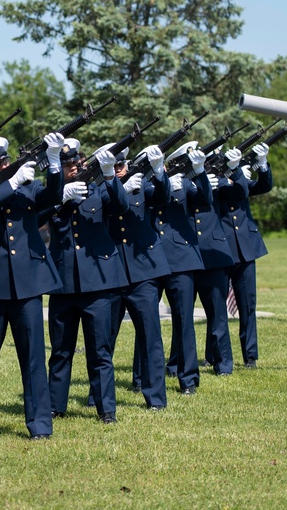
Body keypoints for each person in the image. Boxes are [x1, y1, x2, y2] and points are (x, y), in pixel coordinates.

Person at [0, 133, 64, 440]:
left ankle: (39, 424)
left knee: (33, 357)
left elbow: (52, 197)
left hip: (27, 283)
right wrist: (10, 184)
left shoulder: (29, 186)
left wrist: (53, 161)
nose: (5, 166)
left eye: (6, 161)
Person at [45, 139, 128, 424]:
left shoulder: (97, 190)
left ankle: (106, 409)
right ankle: (55, 405)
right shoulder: (51, 194)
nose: (74, 169)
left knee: (100, 349)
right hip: (63, 283)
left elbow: (121, 205)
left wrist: (108, 175)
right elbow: (37, 217)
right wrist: (60, 197)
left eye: (77, 164)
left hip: (98, 283)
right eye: (68, 166)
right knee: (60, 350)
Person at [106, 145, 171, 411]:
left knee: (150, 336)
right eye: (116, 167)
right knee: (104, 338)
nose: (121, 171)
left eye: (123, 166)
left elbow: (162, 198)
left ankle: (155, 397)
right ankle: (99, 394)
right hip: (111, 272)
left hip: (143, 270)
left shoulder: (141, 183)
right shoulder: (102, 187)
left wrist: (158, 172)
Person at [214, 145, 272, 368]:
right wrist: (234, 174)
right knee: (217, 306)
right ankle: (217, 354)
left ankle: (250, 355)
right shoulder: (215, 182)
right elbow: (234, 191)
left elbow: (264, 185)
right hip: (222, 249)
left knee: (248, 304)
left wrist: (262, 163)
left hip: (246, 248)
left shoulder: (239, 178)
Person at [158, 141, 207, 395]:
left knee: (185, 321)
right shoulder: (145, 181)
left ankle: (188, 378)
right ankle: (142, 376)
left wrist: (200, 174)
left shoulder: (184, 183)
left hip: (180, 259)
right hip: (151, 259)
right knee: (147, 324)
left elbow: (205, 201)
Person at [189, 146, 241, 377]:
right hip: (187, 257)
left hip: (214, 255)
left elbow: (240, 194)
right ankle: (178, 363)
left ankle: (223, 363)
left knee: (218, 314)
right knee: (183, 318)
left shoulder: (218, 182)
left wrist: (234, 170)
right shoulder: (180, 184)